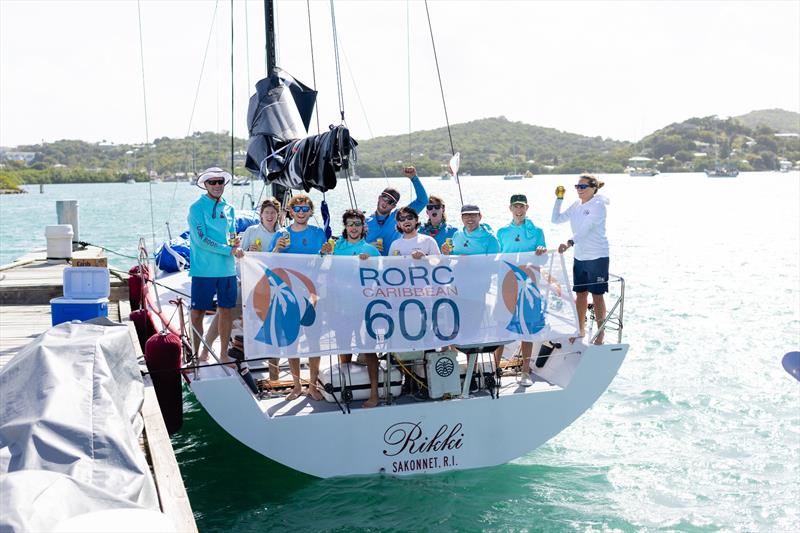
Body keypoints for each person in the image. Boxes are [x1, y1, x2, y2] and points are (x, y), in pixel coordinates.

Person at [268, 194, 327, 400]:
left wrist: (326, 254)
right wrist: (277, 249)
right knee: (291, 340)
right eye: (297, 209)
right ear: (291, 212)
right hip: (288, 294)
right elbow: (269, 263)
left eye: (305, 209)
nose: (301, 212)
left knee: (313, 340)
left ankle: (312, 385)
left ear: (311, 212)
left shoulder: (319, 234)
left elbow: (323, 263)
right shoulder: (281, 234)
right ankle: (296, 385)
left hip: (311, 293)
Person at [321, 209, 382, 407]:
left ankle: (374, 394)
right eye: (350, 224)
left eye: (357, 223)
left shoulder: (371, 250)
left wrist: (370, 263)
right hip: (340, 307)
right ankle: (345, 389)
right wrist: (323, 254)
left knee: (369, 350)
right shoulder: (336, 247)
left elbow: (382, 280)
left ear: (363, 227)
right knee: (344, 349)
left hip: (364, 309)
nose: (354, 227)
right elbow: (322, 268)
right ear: (345, 226)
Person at [187, 167, 244, 362]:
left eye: (220, 181)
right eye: (213, 182)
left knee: (226, 312)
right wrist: (229, 250)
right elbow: (201, 239)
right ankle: (196, 356)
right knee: (197, 314)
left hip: (227, 270)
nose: (217, 185)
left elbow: (231, 234)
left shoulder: (229, 208)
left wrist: (236, 243)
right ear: (205, 185)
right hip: (203, 270)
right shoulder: (196, 208)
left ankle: (222, 355)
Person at [494, 193, 548, 386]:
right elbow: (494, 256)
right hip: (507, 284)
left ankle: (525, 372)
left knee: (528, 330)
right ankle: (495, 370)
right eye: (515, 206)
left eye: (522, 206)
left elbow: (544, 258)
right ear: (510, 209)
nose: (519, 210)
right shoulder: (501, 231)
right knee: (502, 328)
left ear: (527, 208)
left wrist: (541, 250)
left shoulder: (537, 231)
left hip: (529, 286)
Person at [551, 174, 610, 345]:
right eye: (577, 186)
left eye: (582, 186)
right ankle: (580, 329)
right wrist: (559, 198)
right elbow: (556, 219)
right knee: (581, 295)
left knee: (597, 296)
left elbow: (586, 228)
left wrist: (569, 242)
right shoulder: (576, 205)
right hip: (580, 257)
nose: (579, 189)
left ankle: (600, 333)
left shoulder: (598, 205)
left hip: (597, 256)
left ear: (593, 188)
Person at [365, 166, 428, 255]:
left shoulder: (399, 216)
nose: (386, 202)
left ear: (394, 206)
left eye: (390, 202)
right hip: (369, 266)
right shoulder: (364, 220)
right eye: (385, 197)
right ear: (379, 198)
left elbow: (423, 201)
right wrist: (368, 247)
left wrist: (414, 178)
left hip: (393, 265)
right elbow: (353, 244)